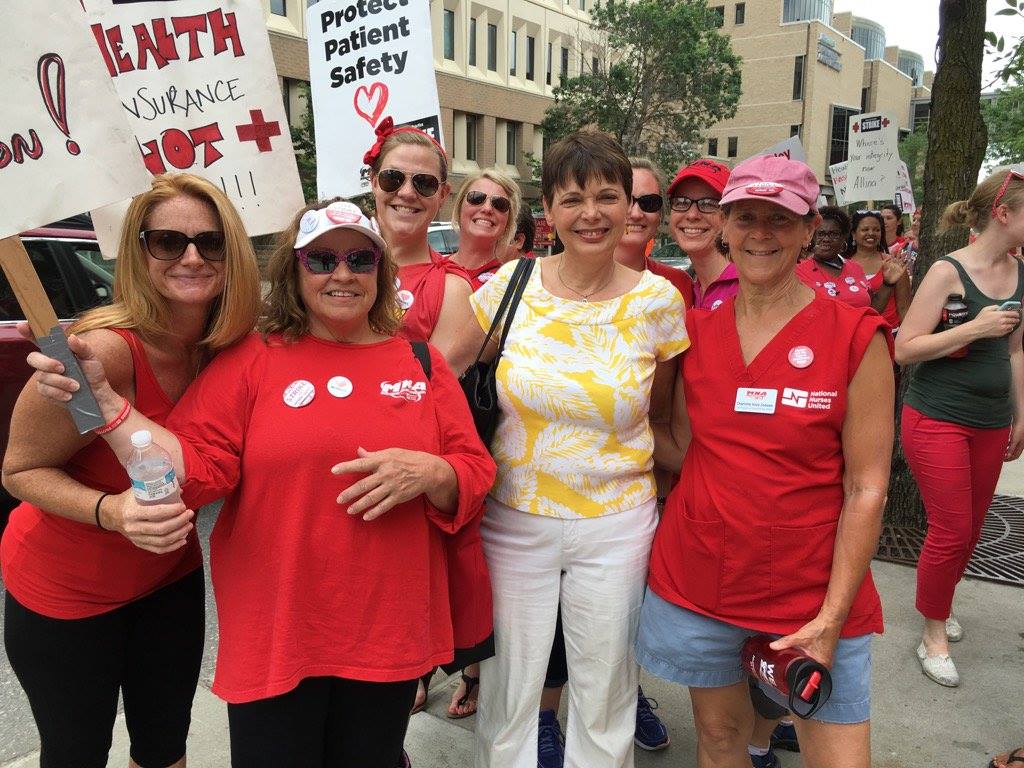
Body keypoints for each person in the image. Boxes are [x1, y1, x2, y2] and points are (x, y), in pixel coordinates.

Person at [23, 199, 497, 767]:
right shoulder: (252, 359)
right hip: (280, 630)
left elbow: (475, 471)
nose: (342, 273)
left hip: (386, 628)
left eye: (359, 259)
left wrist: (435, 471)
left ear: (380, 271)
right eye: (321, 259)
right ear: (294, 272)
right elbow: (194, 472)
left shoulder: (420, 363)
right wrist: (106, 404)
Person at [636, 154, 894, 768]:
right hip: (705, 577)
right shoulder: (693, 331)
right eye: (746, 217)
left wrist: (831, 620)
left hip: (813, 590)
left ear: (809, 230)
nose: (760, 234)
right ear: (724, 227)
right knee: (721, 739)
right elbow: (674, 443)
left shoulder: (857, 335)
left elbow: (866, 489)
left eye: (780, 219)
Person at [1, 173, 262, 768]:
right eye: (168, 241)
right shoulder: (104, 353)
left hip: (168, 580)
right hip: (65, 594)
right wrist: (111, 511)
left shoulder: (232, 348)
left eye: (211, 241)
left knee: (166, 746)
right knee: (76, 753)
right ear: (139, 253)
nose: (192, 256)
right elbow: (20, 471)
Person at [447, 130, 688, 768]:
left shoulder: (659, 303)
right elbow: (436, 386)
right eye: (573, 197)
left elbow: (662, 421)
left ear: (628, 207)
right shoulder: (506, 286)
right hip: (513, 519)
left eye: (609, 196)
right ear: (548, 211)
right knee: (510, 689)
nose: (592, 213)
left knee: (606, 690)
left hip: (618, 523)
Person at [895, 166, 1024, 688]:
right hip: (937, 419)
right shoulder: (949, 272)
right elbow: (905, 348)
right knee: (951, 530)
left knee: (969, 529)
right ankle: (933, 634)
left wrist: (1021, 416)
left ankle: (939, 601)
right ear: (1003, 212)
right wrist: (974, 326)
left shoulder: (1022, 273)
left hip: (992, 423)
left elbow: (1016, 351)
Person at [363, 117, 473, 346]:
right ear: (374, 182)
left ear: (443, 195)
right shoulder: (334, 266)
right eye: (392, 178)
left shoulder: (450, 289)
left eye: (424, 183)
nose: (407, 193)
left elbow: (437, 379)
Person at [614, 157, 694, 305]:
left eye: (649, 203)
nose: (636, 214)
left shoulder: (678, 284)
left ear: (660, 216)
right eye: (626, 201)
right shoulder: (572, 281)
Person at [666, 158, 734, 311]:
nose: (692, 215)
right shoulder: (682, 290)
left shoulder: (749, 287)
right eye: (682, 202)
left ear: (729, 215)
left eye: (708, 204)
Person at [450, 169, 522, 288]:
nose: (487, 208)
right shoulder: (431, 269)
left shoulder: (510, 287)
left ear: (508, 222)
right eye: (476, 198)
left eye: (500, 203)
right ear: (459, 208)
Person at [796, 206, 872, 308]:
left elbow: (871, 308)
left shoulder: (856, 268)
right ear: (811, 236)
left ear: (843, 237)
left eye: (833, 234)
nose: (826, 239)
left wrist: (887, 284)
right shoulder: (798, 271)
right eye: (820, 234)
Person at [846, 209, 910, 330]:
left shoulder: (893, 265)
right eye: (865, 229)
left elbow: (904, 308)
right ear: (854, 234)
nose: (871, 233)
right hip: (854, 334)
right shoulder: (841, 266)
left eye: (877, 230)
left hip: (890, 334)